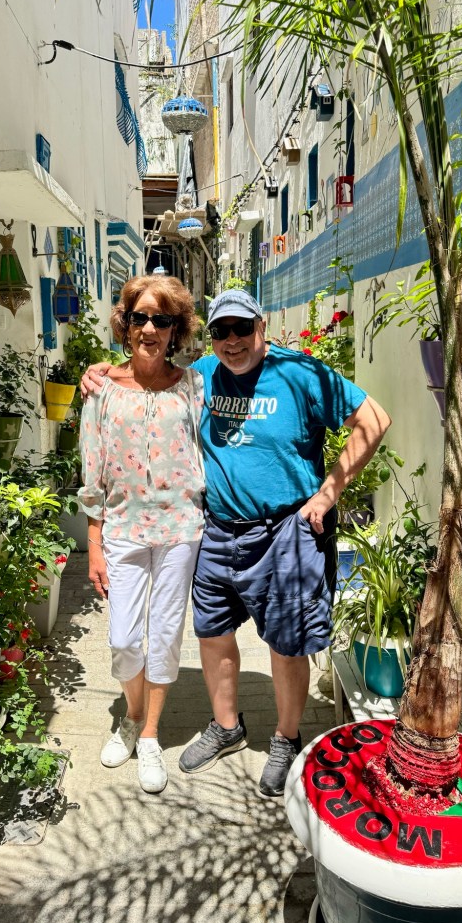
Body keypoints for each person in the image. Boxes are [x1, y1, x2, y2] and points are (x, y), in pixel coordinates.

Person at [83, 288, 390, 798]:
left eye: (242, 328)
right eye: (221, 331)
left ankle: (286, 738)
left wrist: (328, 493)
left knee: (285, 643)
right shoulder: (202, 376)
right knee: (213, 634)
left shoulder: (300, 373)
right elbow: (146, 374)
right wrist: (99, 371)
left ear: (260, 326)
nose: (232, 340)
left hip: (284, 530)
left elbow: (373, 420)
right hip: (218, 530)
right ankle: (227, 727)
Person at [78, 275, 204, 794]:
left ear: (176, 330)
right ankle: (131, 715)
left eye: (162, 320)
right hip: (123, 529)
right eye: (140, 318)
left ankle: (149, 733)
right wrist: (94, 544)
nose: (149, 329)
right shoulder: (101, 388)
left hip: (180, 528)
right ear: (125, 325)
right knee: (124, 639)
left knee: (166, 633)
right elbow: (91, 468)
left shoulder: (194, 385)